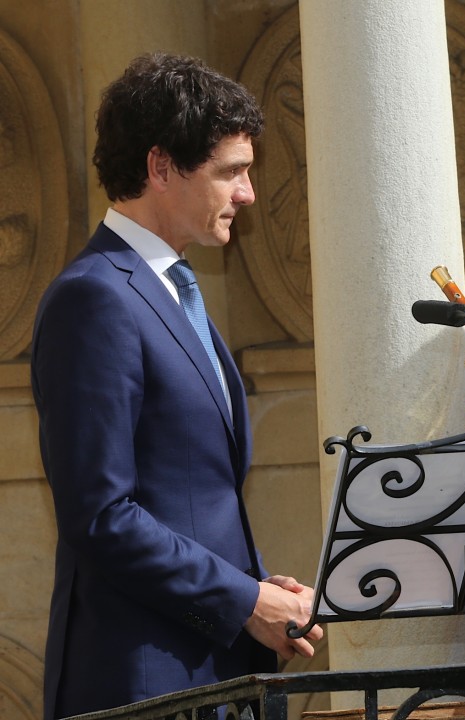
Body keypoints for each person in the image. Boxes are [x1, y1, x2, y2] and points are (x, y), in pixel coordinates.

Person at [31, 52, 323, 720]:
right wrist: (245, 601)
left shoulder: (168, 289)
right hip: (145, 685)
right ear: (160, 167)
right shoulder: (93, 298)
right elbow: (101, 515)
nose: (247, 194)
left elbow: (189, 494)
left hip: (210, 679)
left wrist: (257, 586)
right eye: (231, 172)